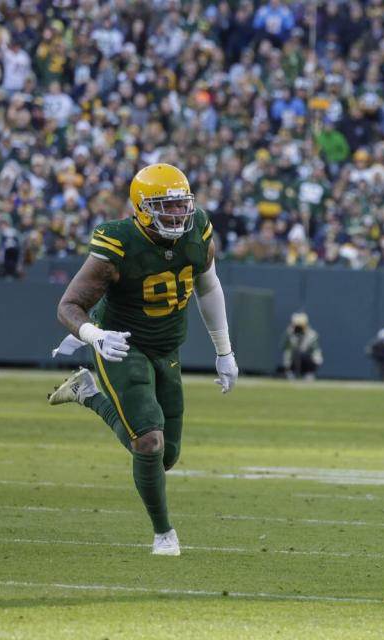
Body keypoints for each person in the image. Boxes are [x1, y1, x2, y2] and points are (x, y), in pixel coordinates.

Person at [46, 163, 239, 556]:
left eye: (180, 205)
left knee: (166, 456)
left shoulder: (198, 229)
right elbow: (69, 305)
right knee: (149, 441)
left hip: (167, 346)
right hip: (120, 344)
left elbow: (208, 286)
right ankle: (164, 534)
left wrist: (225, 351)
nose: (176, 214)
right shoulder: (117, 242)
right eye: (165, 206)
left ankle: (89, 394)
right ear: (141, 208)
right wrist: (93, 335)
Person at [280, 312, 323, 379]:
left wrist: (316, 364)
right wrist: (287, 366)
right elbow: (286, 350)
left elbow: (316, 352)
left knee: (302, 355)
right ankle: (291, 373)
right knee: (295, 355)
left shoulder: (312, 335)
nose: (298, 328)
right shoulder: (289, 334)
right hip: (293, 361)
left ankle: (309, 373)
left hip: (307, 361)